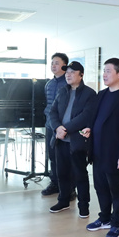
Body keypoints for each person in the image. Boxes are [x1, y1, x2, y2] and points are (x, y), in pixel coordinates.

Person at [81, 58, 119, 237]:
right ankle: (104, 218)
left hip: (115, 154)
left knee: (116, 191)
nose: (104, 75)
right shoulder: (101, 95)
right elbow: (95, 119)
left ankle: (116, 224)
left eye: (108, 71)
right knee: (100, 187)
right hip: (97, 151)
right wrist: (89, 128)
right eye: (104, 71)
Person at [48, 61, 97, 217]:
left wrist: (66, 129)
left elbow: (86, 116)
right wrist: (57, 128)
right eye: (67, 72)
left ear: (81, 75)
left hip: (77, 141)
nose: (68, 75)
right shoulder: (62, 91)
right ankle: (63, 201)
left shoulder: (89, 93)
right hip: (60, 140)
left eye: (72, 72)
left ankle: (84, 206)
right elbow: (52, 112)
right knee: (61, 173)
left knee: (79, 174)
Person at [41, 52, 68, 196]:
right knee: (52, 156)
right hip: (49, 126)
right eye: (52, 63)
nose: (53, 65)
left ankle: (69, 188)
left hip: (64, 127)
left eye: (57, 63)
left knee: (65, 158)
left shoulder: (68, 83)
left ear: (65, 65)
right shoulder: (49, 84)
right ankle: (55, 183)